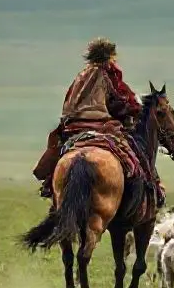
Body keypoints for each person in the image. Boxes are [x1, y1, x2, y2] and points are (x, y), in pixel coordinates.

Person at [32, 37, 164, 206]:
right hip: (101, 124)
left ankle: (50, 184)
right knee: (132, 152)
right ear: (109, 56)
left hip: (74, 126)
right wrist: (134, 109)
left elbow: (69, 102)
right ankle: (144, 186)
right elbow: (121, 99)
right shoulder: (110, 74)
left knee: (60, 151)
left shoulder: (81, 76)